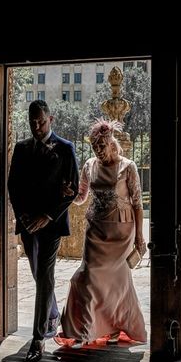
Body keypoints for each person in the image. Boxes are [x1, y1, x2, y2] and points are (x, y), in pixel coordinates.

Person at [55, 119, 147, 348]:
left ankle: (115, 326)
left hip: (121, 233)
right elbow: (81, 198)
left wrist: (140, 237)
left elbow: (137, 203)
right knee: (86, 277)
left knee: (117, 283)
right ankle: (83, 330)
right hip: (95, 231)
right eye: (95, 148)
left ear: (111, 143)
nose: (98, 152)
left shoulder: (128, 167)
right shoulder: (89, 165)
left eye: (102, 147)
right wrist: (69, 193)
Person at [7, 100, 79, 362]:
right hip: (27, 222)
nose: (36, 127)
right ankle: (52, 314)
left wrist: (46, 215)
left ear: (51, 119)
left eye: (41, 121)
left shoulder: (66, 149)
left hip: (52, 223)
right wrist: (24, 215)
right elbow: (13, 184)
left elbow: (70, 191)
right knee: (37, 273)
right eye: (32, 122)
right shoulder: (22, 148)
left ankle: (38, 338)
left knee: (46, 276)